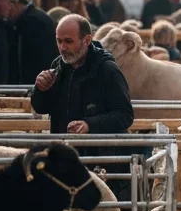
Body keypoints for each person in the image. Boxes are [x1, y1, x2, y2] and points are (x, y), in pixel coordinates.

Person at [30, 14, 135, 197]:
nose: (62, 48)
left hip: (101, 162)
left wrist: (90, 125)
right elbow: (41, 107)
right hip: (66, 159)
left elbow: (125, 114)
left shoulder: (106, 70)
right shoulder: (60, 66)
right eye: (59, 41)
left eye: (69, 41)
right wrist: (40, 89)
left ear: (87, 40)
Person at [8, 0, 59, 85]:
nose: (7, 14)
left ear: (16, 4)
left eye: (9, 9)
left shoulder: (31, 20)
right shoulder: (36, 15)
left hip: (37, 80)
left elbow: (29, 58)